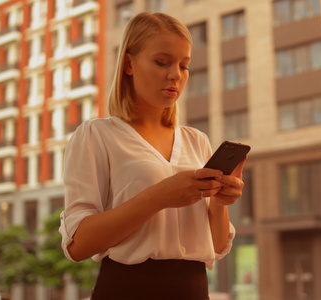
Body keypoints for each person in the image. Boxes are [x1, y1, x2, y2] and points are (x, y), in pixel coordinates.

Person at [59, 11, 247, 300]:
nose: (175, 75)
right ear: (128, 64)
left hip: (194, 290)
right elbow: (77, 245)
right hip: (126, 290)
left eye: (184, 66)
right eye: (162, 62)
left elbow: (217, 246)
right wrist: (159, 196)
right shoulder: (97, 135)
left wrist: (220, 203)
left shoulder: (197, 140)